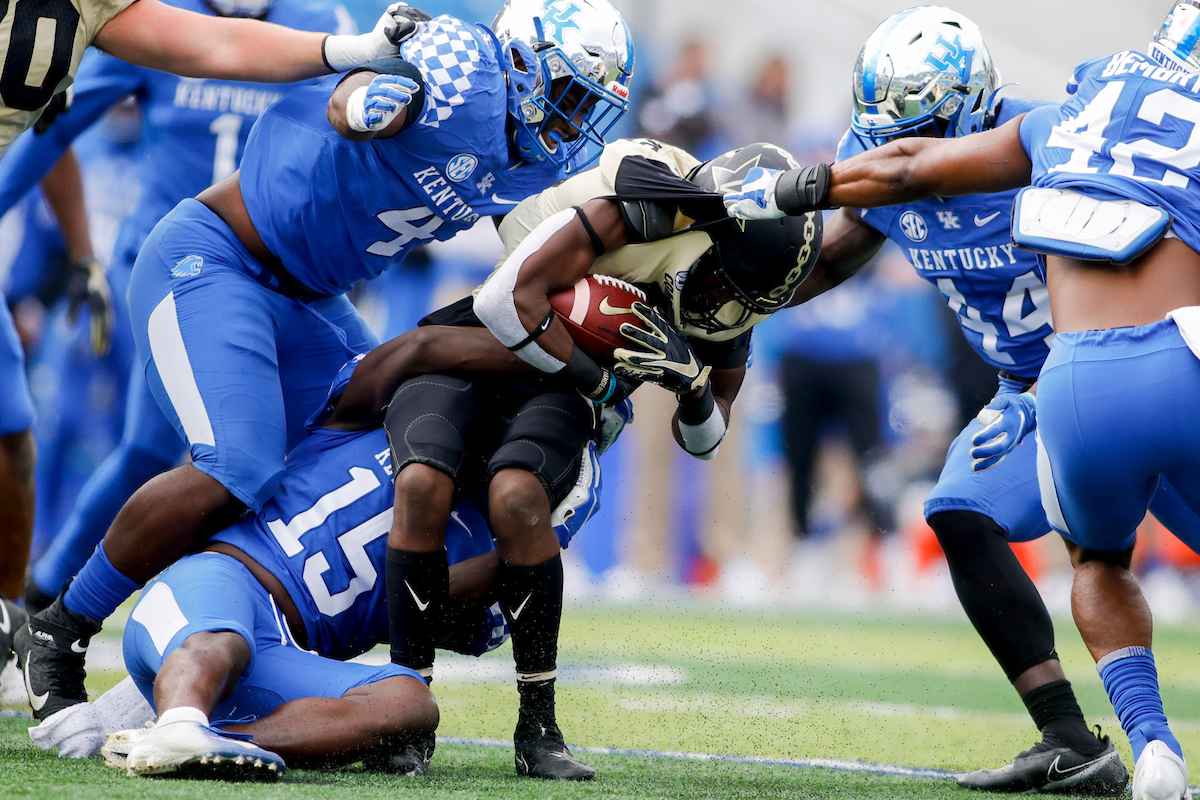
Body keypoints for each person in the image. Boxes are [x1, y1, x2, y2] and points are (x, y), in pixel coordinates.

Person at [13, 0, 635, 736]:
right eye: (567, 95)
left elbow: (546, 249)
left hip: (312, 300)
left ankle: (205, 665)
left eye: (587, 107)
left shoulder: (533, 157)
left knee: (381, 445)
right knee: (234, 465)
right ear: (525, 64)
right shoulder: (465, 68)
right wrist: (365, 102)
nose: (571, 122)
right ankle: (58, 630)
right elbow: (348, 99)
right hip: (222, 260)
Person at [724, 3, 1200, 798]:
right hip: (1040, 384)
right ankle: (1068, 737)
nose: (911, 145)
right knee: (960, 510)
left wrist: (773, 193)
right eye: (890, 132)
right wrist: (737, 303)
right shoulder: (881, 158)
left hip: (1094, 361)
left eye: (934, 127)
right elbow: (843, 246)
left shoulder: (1045, 132)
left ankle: (1147, 748)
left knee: (1102, 550)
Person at [383, 137, 821, 779]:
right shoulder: (638, 207)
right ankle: (406, 706)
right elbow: (504, 301)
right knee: (421, 481)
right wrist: (601, 381)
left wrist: (694, 389)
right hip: (487, 340)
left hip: (561, 384)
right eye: (724, 277)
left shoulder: (735, 302)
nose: (724, 302)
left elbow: (706, 437)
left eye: (747, 296)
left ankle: (539, 726)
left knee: (518, 495)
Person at [107, 323, 607, 778]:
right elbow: (416, 349)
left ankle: (196, 741)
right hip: (223, 583)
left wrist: (526, 545)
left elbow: (463, 622)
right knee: (222, 643)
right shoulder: (374, 417)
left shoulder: (494, 519)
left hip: (284, 657)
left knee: (411, 705)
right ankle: (179, 719)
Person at [0, 0, 359, 615]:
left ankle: (314, 591)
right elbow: (53, 122)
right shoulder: (148, 19)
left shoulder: (322, 19)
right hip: (182, 263)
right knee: (163, 447)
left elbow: (341, 132)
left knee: (357, 400)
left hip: (290, 269)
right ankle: (54, 603)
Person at [0, 0, 428, 158]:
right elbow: (51, 138)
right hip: (167, 240)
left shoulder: (321, 17)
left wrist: (358, 50)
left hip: (271, 256)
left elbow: (221, 45)